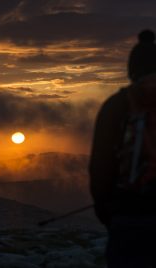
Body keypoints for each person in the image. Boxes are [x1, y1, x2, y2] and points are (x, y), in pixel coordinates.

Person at [89, 29, 156, 268]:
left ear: (131, 70)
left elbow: (100, 167)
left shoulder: (115, 106)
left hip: (127, 216)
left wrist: (109, 213)